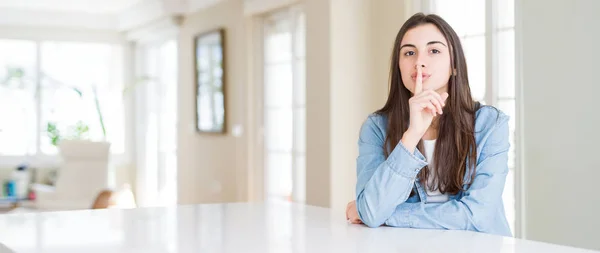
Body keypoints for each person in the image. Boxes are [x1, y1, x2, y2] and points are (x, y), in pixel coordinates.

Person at [345, 12, 512, 237]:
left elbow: (476, 215)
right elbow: (373, 212)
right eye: (409, 53)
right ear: (399, 67)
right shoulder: (376, 128)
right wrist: (412, 134)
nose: (419, 61)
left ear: (454, 65)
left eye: (434, 50)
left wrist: (385, 215)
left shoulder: (490, 124)